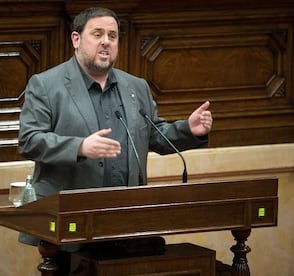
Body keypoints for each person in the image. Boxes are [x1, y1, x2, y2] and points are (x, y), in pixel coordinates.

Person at [17, 4, 212, 262]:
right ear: (76, 39)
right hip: (71, 224)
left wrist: (188, 129)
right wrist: (79, 147)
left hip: (126, 223)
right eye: (97, 34)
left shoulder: (136, 87)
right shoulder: (46, 85)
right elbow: (29, 140)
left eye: (112, 36)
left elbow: (154, 135)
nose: (106, 42)